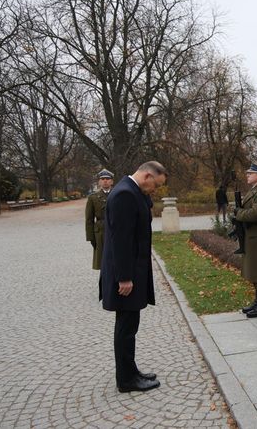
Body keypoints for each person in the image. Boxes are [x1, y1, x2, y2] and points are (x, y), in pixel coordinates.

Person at [100, 161, 167, 393]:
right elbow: (120, 240)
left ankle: (130, 371)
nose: (154, 191)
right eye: (155, 185)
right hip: (126, 275)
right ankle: (126, 380)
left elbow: (142, 214)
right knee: (126, 328)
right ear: (147, 176)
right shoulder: (124, 195)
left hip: (132, 271)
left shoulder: (132, 191)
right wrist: (125, 278)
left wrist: (145, 194)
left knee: (130, 326)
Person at [233, 162, 257, 318]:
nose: (247, 175)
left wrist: (238, 213)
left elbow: (255, 214)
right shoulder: (254, 191)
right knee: (254, 268)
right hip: (252, 235)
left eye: (250, 173)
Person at [85, 169, 113, 270]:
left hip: (115, 229)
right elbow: (89, 219)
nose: (105, 181)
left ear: (112, 181)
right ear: (99, 182)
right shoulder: (93, 197)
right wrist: (90, 237)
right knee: (102, 261)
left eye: (107, 179)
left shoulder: (118, 194)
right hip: (100, 231)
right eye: (103, 179)